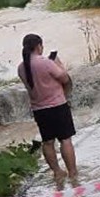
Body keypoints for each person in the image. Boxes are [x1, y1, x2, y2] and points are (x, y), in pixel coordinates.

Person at [18, 34, 77, 181]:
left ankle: (57, 172)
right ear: (38, 46)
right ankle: (73, 173)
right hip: (57, 106)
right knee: (65, 140)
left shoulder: (21, 67)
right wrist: (59, 65)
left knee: (48, 141)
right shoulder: (46, 62)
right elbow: (64, 79)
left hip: (39, 110)